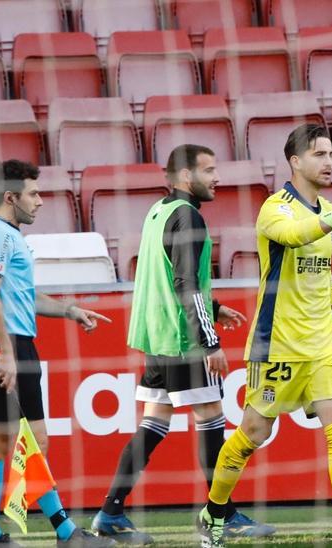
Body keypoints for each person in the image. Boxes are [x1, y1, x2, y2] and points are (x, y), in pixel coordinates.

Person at [195, 124, 332, 548]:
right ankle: (213, 513)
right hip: (278, 344)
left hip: (324, 343)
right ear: (295, 161)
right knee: (253, 432)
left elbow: (323, 283)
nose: (329, 163)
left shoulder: (326, 207)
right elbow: (294, 236)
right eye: (320, 155)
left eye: (331, 154)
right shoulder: (275, 208)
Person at [91, 144, 273, 543]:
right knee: (211, 418)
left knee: (153, 424)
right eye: (209, 170)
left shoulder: (158, 211)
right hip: (183, 339)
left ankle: (110, 512)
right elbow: (184, 283)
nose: (217, 178)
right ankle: (221, 514)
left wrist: (216, 305)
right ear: (186, 176)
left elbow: (171, 276)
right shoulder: (188, 217)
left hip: (157, 337)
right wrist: (209, 342)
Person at [0, 160, 115, 547]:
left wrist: (70, 310)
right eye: (33, 194)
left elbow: (23, 297)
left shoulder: (7, 235)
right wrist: (5, 351)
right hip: (7, 345)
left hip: (12, 343)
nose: (39, 201)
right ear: (10, 197)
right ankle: (66, 532)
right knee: (34, 439)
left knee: (1, 440)